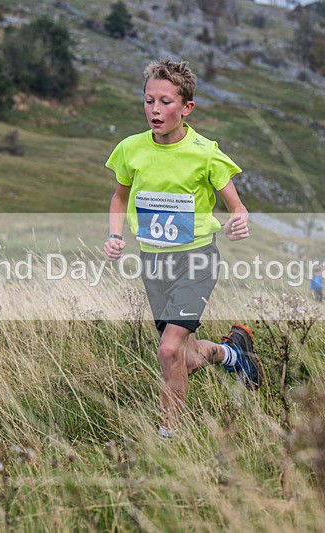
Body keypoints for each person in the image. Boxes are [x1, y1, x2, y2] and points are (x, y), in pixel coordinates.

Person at [102, 59, 263, 439]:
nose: (155, 111)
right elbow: (119, 197)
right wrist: (115, 235)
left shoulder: (205, 153)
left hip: (196, 261)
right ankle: (233, 355)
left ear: (186, 107)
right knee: (185, 357)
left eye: (165, 102)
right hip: (153, 264)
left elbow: (236, 206)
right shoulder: (130, 149)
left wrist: (239, 219)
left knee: (168, 352)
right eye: (148, 101)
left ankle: (168, 437)